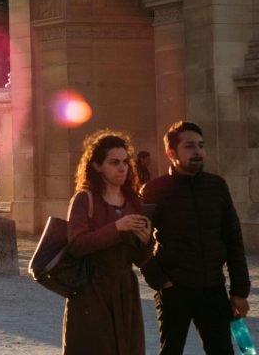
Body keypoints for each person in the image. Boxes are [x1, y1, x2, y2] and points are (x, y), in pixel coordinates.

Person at [141, 120, 250, 354]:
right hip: (174, 290)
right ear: (172, 153)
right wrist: (160, 281)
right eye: (190, 146)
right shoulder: (154, 190)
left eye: (201, 145)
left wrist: (239, 291)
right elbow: (139, 242)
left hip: (213, 288)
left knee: (223, 350)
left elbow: (233, 239)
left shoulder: (217, 186)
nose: (198, 152)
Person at [62, 129, 151, 354]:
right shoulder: (85, 199)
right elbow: (77, 245)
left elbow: (140, 259)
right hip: (91, 291)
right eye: (113, 162)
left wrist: (147, 242)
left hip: (125, 291)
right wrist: (116, 228)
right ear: (97, 165)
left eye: (125, 162)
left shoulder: (133, 201)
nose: (122, 168)